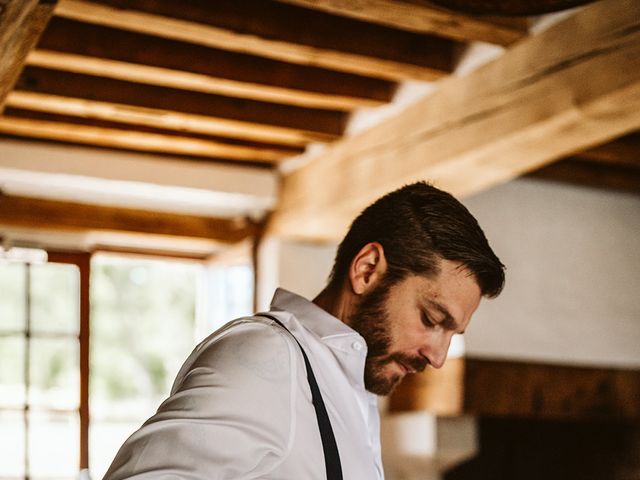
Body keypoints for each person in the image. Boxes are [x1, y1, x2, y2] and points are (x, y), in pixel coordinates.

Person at [103, 182, 505, 480]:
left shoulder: (345, 384)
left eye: (453, 335)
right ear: (367, 270)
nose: (437, 357)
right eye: (432, 320)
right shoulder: (267, 357)